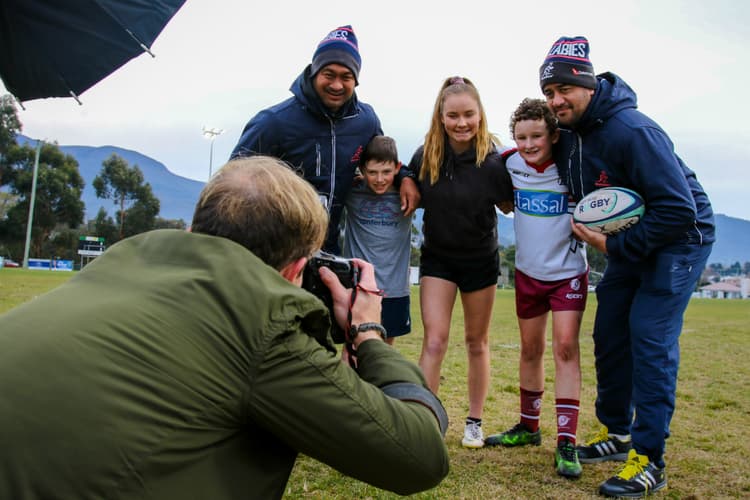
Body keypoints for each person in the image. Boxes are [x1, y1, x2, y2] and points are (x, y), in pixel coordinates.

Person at [0, 156, 449, 499]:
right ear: (296, 269)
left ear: (195, 229)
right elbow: (420, 455)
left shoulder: (119, 265)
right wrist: (367, 330)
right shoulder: (261, 326)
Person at [539, 36, 715, 497]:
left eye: (564, 89)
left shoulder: (632, 130)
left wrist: (611, 244)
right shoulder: (571, 137)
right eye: (548, 93)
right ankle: (616, 432)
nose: (556, 100)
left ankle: (649, 457)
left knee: (649, 335)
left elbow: (679, 209)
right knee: (610, 331)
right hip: (631, 243)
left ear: (588, 85)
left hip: (680, 238)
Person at [230, 24, 420, 254]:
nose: (337, 85)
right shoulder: (272, 122)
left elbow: (382, 158)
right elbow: (230, 185)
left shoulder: (366, 120)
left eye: (346, 77)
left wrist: (406, 177)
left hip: (328, 248)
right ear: (314, 72)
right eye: (328, 74)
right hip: (277, 249)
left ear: (356, 80)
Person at [484, 98, 589, 479]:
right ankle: (529, 427)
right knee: (530, 349)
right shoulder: (508, 162)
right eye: (521, 137)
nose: (529, 145)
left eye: (537, 137)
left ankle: (567, 441)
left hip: (568, 274)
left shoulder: (573, 165)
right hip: (528, 274)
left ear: (553, 135)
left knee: (564, 347)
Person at [408, 76, 514, 449]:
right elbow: (406, 180)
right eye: (453, 115)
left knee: (476, 341)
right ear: (441, 116)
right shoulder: (427, 155)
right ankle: (425, 418)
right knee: (434, 341)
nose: (461, 123)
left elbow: (511, 204)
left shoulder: (494, 162)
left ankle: (474, 422)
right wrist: (405, 178)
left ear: (480, 114)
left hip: (480, 262)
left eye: (469, 114)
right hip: (438, 259)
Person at [343, 135, 412, 346]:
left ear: (397, 167)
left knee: (385, 349)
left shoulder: (408, 194)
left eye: (386, 172)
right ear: (362, 170)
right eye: (372, 172)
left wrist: (408, 178)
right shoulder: (351, 192)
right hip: (357, 287)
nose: (379, 179)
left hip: (394, 290)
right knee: (352, 345)